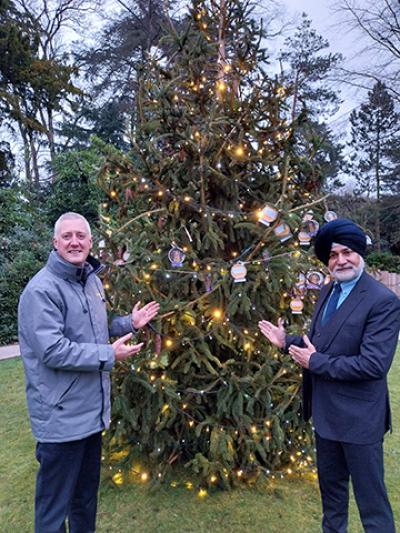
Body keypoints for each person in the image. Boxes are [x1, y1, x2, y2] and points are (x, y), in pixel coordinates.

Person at [18, 212, 160, 533]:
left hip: (91, 417)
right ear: (55, 243)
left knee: (84, 502)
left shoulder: (91, 280)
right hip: (60, 420)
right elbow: (53, 349)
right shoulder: (41, 291)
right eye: (67, 236)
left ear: (90, 242)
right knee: (53, 512)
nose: (74, 242)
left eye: (81, 236)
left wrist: (128, 324)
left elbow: (93, 330)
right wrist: (109, 354)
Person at [259, 218, 400, 533]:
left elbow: (373, 365)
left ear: (360, 253)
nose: (341, 260)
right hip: (325, 418)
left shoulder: (383, 301)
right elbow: (319, 344)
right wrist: (286, 343)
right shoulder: (327, 291)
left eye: (347, 252)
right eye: (333, 255)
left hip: (360, 421)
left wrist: (315, 363)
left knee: (373, 509)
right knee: (332, 503)